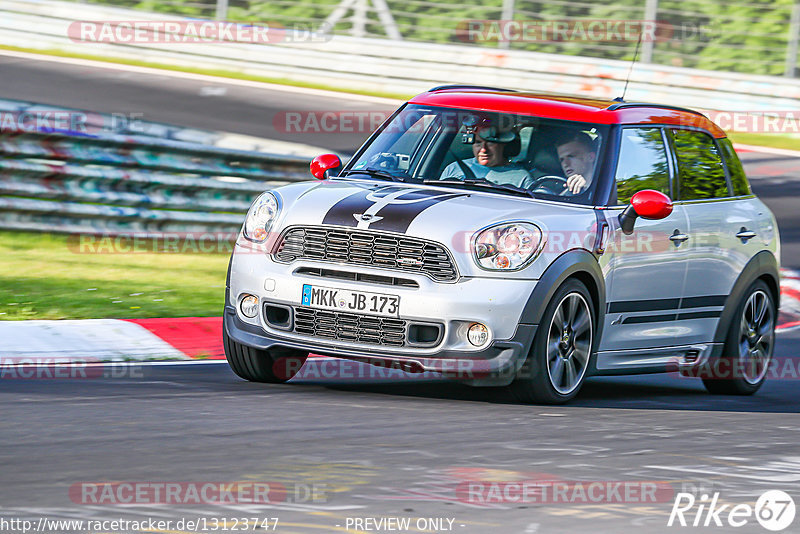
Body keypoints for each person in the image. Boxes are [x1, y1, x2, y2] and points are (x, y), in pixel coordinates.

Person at [440, 126, 533, 188]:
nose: (483, 149)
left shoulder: (521, 178)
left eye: (490, 143)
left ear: (504, 145)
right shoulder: (454, 168)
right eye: (478, 143)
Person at [555, 131, 598, 195]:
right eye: (562, 160)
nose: (565, 164)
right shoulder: (559, 191)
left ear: (590, 157)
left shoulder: (606, 186)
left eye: (571, 156)